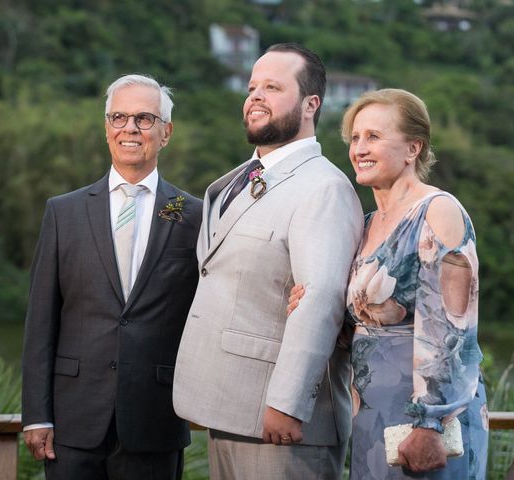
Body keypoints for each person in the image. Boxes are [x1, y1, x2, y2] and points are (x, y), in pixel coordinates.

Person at [172, 43, 364, 479]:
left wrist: (287, 403)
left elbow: (320, 300)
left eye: (273, 87)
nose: (256, 96)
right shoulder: (238, 178)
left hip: (280, 422)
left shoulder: (324, 189)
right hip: (229, 407)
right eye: (252, 87)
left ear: (311, 104)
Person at [288, 88, 488, 479]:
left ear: (413, 148)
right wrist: (306, 303)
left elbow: (452, 330)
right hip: (373, 415)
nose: (360, 148)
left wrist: (429, 423)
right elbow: (352, 328)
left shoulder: (437, 210)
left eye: (374, 137)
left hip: (427, 420)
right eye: (356, 138)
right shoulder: (364, 225)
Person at [21, 74, 202, 480]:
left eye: (144, 118)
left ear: (166, 132)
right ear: (107, 128)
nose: (130, 128)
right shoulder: (63, 212)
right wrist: (36, 415)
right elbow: (40, 322)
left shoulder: (192, 214)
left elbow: (214, 301)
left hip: (156, 418)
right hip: (72, 421)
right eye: (119, 117)